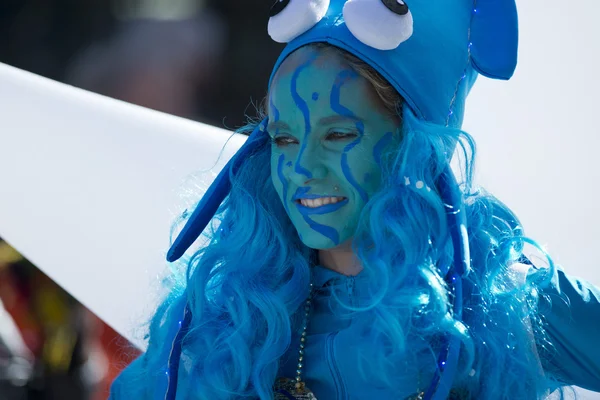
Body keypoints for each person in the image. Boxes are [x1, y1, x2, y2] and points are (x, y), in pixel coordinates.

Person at [109, 1, 600, 399]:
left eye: (339, 134)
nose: (302, 167)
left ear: (412, 148)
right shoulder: (224, 320)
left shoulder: (506, 297)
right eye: (283, 139)